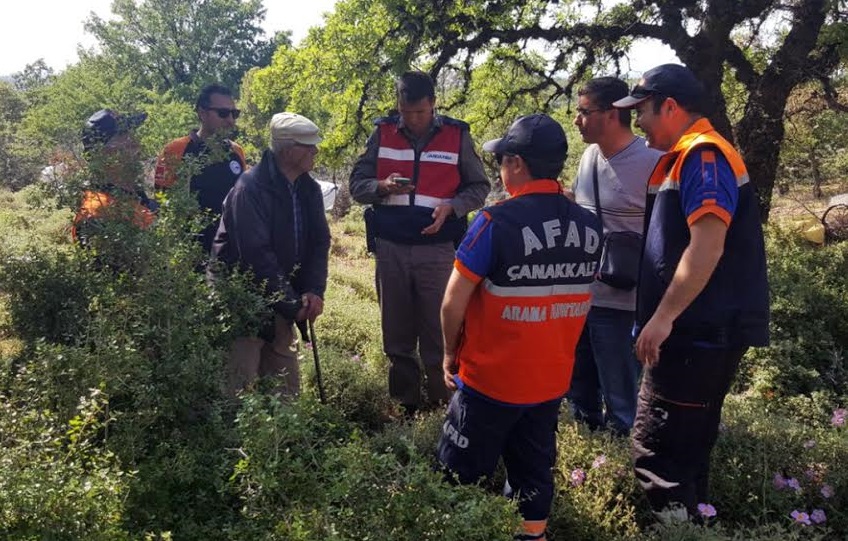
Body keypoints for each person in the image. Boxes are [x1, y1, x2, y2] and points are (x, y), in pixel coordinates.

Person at [611, 64, 769, 522]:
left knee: (660, 451)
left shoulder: (703, 156)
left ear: (671, 106)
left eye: (642, 111)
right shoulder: (686, 157)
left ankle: (677, 528)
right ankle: (695, 524)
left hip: (695, 336)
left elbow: (707, 244)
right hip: (697, 333)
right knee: (686, 447)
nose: (638, 123)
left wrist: (663, 319)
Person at [437, 114, 602, 541]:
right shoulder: (590, 226)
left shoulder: (494, 223)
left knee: (460, 471)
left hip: (489, 381)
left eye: (501, 162)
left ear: (515, 163)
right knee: (533, 472)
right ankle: (531, 535)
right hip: (549, 383)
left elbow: (453, 301)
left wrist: (449, 353)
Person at [349, 71, 490, 415]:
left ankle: (444, 403)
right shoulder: (382, 132)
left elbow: (479, 187)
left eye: (420, 112)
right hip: (390, 247)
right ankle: (406, 404)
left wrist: (453, 207)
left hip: (438, 250)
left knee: (438, 330)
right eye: (406, 112)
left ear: (433, 105)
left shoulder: (457, 134)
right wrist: (381, 186)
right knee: (396, 333)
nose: (412, 120)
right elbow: (356, 185)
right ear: (398, 107)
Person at [211, 112, 331, 397]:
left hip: (281, 299)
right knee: (239, 391)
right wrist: (292, 303)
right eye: (308, 145)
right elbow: (256, 255)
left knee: (285, 393)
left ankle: (283, 442)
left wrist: (314, 290)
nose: (315, 151)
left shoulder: (309, 189)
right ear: (289, 150)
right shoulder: (249, 189)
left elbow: (319, 241)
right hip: (243, 302)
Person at [567, 77, 662, 435]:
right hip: (581, 297)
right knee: (580, 393)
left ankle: (628, 464)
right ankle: (589, 460)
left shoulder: (654, 159)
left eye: (584, 112)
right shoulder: (589, 157)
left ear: (611, 114)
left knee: (622, 399)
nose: (577, 120)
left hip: (625, 301)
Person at [155, 83, 247, 253]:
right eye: (223, 113)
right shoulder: (175, 150)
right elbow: (162, 203)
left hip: (232, 251)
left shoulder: (237, 151)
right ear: (202, 113)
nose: (230, 120)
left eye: (234, 114)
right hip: (191, 253)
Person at [73, 109, 157, 246]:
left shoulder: (136, 197)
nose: (137, 145)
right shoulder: (97, 216)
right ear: (102, 155)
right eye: (124, 137)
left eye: (132, 136)